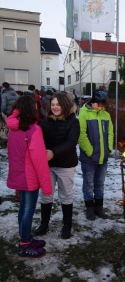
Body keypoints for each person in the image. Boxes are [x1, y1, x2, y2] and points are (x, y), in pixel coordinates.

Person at [6, 95, 52, 258]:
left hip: (18, 175)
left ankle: (25, 238)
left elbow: (11, 154)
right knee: (27, 210)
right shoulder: (33, 130)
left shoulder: (13, 129)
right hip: (29, 177)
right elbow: (40, 161)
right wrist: (47, 186)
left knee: (23, 209)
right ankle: (25, 244)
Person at [35, 92, 80, 239]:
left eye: (58, 105)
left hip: (66, 165)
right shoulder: (45, 121)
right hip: (47, 164)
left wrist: (53, 152)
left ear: (65, 105)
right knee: (46, 194)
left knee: (65, 195)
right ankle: (44, 224)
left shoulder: (73, 121)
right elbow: (38, 137)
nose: (55, 107)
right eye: (52, 105)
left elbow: (71, 142)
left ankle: (67, 226)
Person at [78, 89, 114, 220]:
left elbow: (110, 133)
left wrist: (109, 148)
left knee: (100, 183)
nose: (101, 107)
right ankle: (90, 208)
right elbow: (81, 135)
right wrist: (90, 151)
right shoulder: (84, 114)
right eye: (98, 104)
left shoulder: (106, 115)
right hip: (89, 158)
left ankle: (99, 208)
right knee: (89, 183)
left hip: (103, 157)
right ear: (93, 102)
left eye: (103, 105)